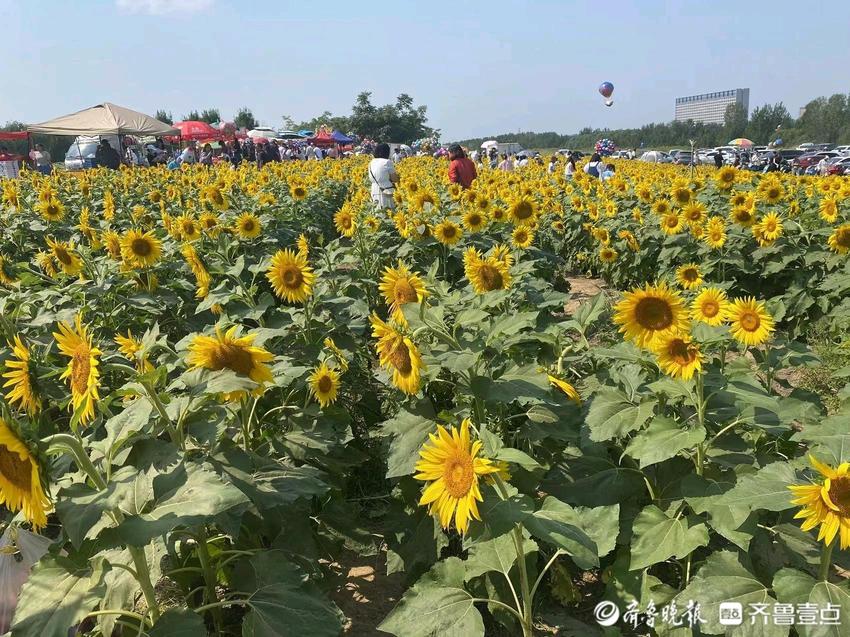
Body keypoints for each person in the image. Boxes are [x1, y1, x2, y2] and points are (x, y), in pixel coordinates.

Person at [368, 143, 399, 209]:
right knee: (387, 212)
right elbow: (394, 179)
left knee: (376, 212)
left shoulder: (371, 162)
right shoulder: (387, 162)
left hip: (374, 190)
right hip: (386, 190)